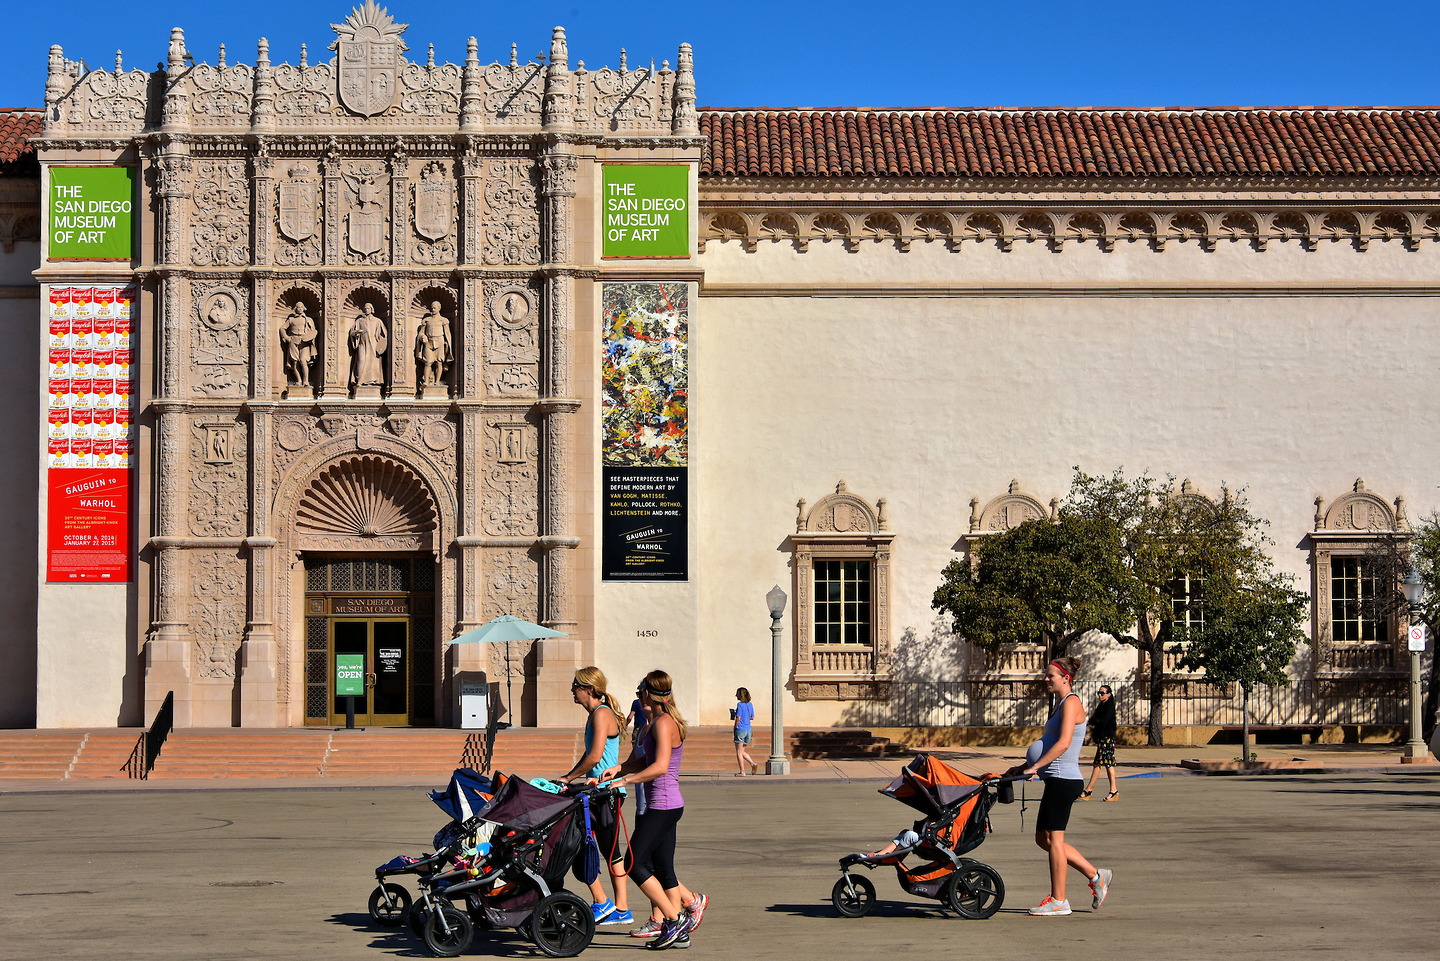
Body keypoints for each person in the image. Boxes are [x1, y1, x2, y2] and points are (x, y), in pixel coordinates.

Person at [599, 671, 708, 951]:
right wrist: (619, 769)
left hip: (664, 806)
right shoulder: (656, 723)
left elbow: (659, 766)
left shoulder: (664, 723)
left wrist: (625, 781)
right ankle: (680, 932)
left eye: (640, 691)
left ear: (648, 693)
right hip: (663, 805)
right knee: (663, 868)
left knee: (634, 864)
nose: (638, 695)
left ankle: (673, 920)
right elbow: (647, 759)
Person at [1006, 657, 1113, 917]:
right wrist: (1022, 767)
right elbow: (1050, 742)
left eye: (1050, 675)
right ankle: (1095, 875)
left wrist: (1035, 767)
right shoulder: (1060, 704)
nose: (1046, 679)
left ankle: (1059, 900)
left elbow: (1064, 743)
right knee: (1043, 839)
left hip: (1064, 780)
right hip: (1055, 779)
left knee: (1054, 840)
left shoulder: (1072, 702)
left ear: (1066, 678)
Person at [559, 667, 634, 926]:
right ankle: (614, 906)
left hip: (607, 792)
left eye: (575, 685)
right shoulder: (596, 714)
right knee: (599, 846)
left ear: (589, 689)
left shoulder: (602, 713)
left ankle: (613, 905)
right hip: (597, 790)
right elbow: (590, 755)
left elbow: (595, 756)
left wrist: (568, 778)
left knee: (602, 847)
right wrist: (570, 777)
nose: (572, 690)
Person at [1081, 685, 1119, 802]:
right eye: (1099, 693)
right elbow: (1093, 720)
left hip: (1107, 738)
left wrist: (1096, 722)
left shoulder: (1109, 706)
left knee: (1102, 764)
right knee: (1103, 764)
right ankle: (1110, 791)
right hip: (1102, 738)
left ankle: (1091, 790)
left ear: (1109, 694)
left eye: (1102, 693)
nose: (1100, 695)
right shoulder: (1101, 706)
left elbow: (1103, 721)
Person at [348, 302, 387, 391]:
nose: (366, 310)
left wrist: (380, 345)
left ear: (372, 309)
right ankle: (359, 381)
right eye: (365, 308)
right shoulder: (359, 321)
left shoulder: (377, 321)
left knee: (373, 364)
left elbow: (384, 335)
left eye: (368, 308)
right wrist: (356, 332)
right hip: (362, 344)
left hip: (374, 345)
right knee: (361, 361)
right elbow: (352, 332)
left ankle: (373, 381)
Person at [732, 687, 757, 776]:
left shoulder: (740, 705)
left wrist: (735, 727)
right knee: (742, 751)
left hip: (741, 729)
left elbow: (738, 718)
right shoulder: (750, 704)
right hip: (748, 729)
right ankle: (752, 763)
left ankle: (742, 771)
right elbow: (752, 717)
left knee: (739, 752)